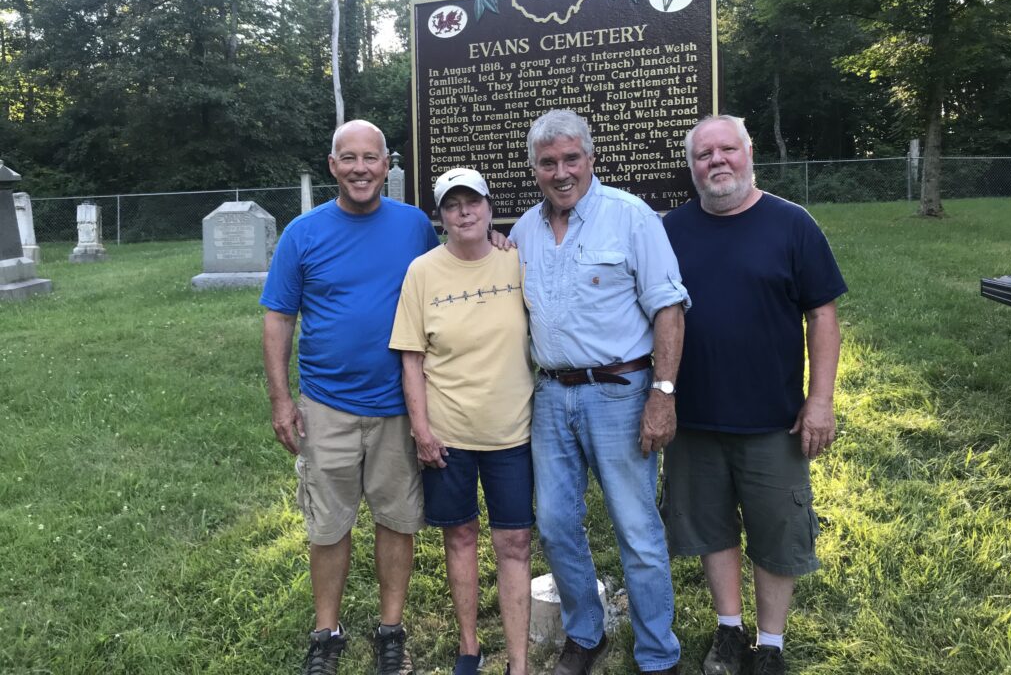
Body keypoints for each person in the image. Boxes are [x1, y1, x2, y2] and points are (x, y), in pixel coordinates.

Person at [661, 115, 847, 675]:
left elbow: (823, 315)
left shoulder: (793, 225)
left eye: (727, 150)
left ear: (748, 154)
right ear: (691, 166)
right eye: (703, 154)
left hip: (774, 419)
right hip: (693, 417)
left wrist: (820, 401)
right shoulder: (670, 229)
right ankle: (728, 630)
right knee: (709, 527)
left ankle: (770, 644)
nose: (716, 161)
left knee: (776, 531)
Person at [506, 109, 690, 675]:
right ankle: (585, 633)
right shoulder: (524, 232)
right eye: (548, 162)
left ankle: (658, 653)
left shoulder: (630, 217)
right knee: (557, 522)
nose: (560, 172)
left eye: (570, 159)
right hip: (550, 396)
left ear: (590, 159)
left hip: (620, 392)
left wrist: (662, 393)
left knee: (635, 527)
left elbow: (668, 308)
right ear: (534, 168)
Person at [260, 119, 439, 675]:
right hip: (326, 405)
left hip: (397, 407)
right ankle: (326, 631)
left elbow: (451, 276)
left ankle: (391, 630)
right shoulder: (303, 232)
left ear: (387, 165)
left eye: (371, 158)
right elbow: (278, 317)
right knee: (329, 525)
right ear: (333, 165)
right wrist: (281, 401)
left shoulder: (414, 227)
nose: (361, 168)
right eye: (349, 158)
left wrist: (499, 240)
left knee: (397, 519)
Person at [390, 167, 534, 675]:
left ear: (490, 206)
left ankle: (518, 660)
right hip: (447, 435)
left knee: (514, 541)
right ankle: (469, 646)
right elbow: (411, 357)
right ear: (441, 216)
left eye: (472, 202)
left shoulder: (516, 260)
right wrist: (421, 430)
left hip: (512, 433)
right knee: (461, 536)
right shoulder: (422, 272)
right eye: (452, 205)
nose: (464, 212)